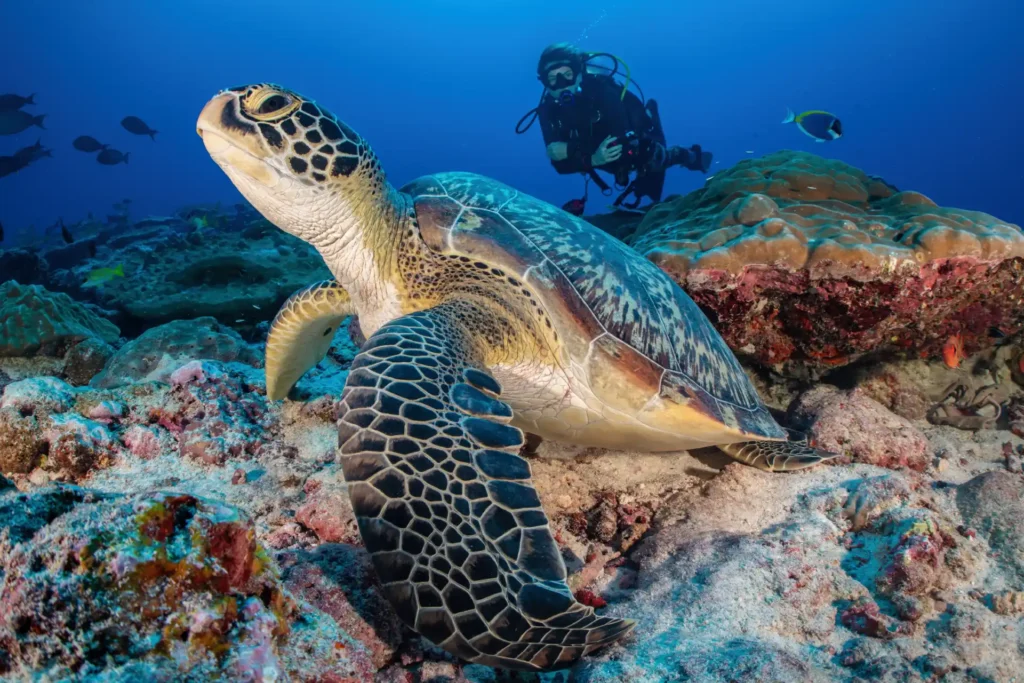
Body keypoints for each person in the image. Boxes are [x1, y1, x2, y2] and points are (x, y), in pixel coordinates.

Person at [516, 43, 713, 214]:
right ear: (544, 82)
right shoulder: (547, 111)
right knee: (634, 178)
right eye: (553, 78)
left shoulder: (603, 92)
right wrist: (593, 158)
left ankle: (691, 156)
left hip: (636, 146)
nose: (561, 85)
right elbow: (559, 166)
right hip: (600, 159)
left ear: (579, 73)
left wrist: (571, 151)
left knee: (657, 159)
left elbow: (620, 145)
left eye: (567, 75)